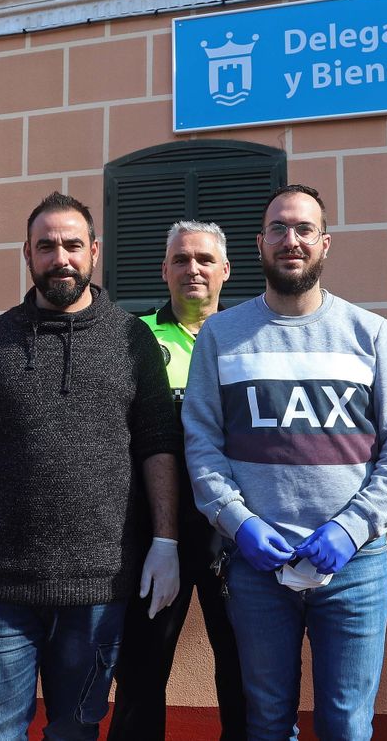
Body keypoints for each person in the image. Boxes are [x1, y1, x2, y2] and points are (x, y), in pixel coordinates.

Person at [0, 192, 182, 741]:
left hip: (98, 584)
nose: (60, 257)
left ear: (93, 251)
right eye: (46, 246)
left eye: (71, 245)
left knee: (75, 732)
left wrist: (166, 540)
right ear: (28, 254)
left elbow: (158, 444)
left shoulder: (133, 339)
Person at [184, 184, 387, 741]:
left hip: (354, 567)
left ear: (324, 244)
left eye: (303, 230)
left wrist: (354, 526)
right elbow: (200, 442)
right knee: (266, 721)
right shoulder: (221, 336)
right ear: (259, 243)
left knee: (347, 724)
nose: (290, 240)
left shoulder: (370, 333)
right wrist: (237, 521)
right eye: (278, 229)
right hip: (257, 568)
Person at [110, 221, 247, 741]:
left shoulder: (249, 337)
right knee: (142, 673)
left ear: (226, 270)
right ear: (164, 270)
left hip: (234, 531)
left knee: (242, 668)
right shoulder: (132, 335)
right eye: (183, 260)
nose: (194, 269)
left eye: (205, 260)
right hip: (154, 533)